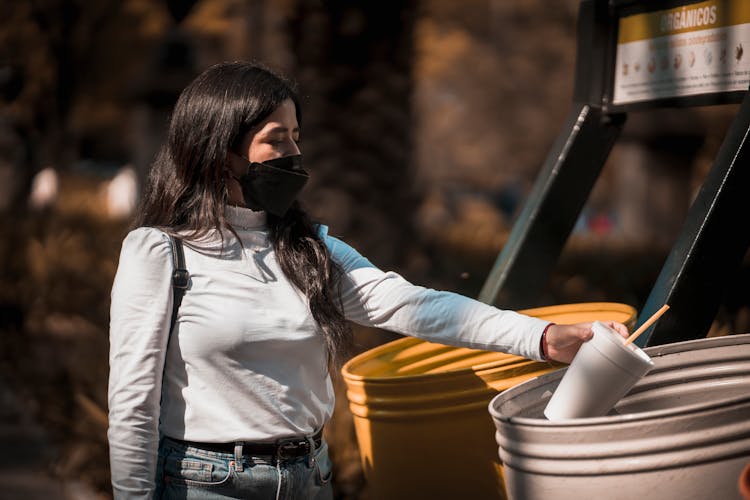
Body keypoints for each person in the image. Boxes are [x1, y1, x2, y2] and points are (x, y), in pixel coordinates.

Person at [107, 61, 628, 500]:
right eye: (275, 139)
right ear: (220, 150)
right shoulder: (160, 252)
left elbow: (415, 306)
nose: (293, 154)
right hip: (207, 485)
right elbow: (132, 402)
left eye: (297, 137)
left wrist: (542, 337)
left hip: (311, 477)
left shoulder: (310, 250)